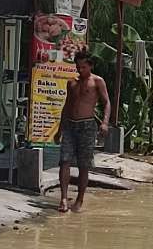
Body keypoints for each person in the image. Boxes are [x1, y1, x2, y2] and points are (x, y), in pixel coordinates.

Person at [56, 50, 111, 213]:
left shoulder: (97, 81)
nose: (81, 70)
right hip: (70, 126)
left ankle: (79, 199)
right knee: (64, 161)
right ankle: (64, 198)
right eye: (78, 67)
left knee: (83, 165)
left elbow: (107, 102)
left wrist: (105, 122)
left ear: (91, 66)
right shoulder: (72, 83)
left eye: (84, 67)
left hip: (87, 126)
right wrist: (59, 129)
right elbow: (66, 106)